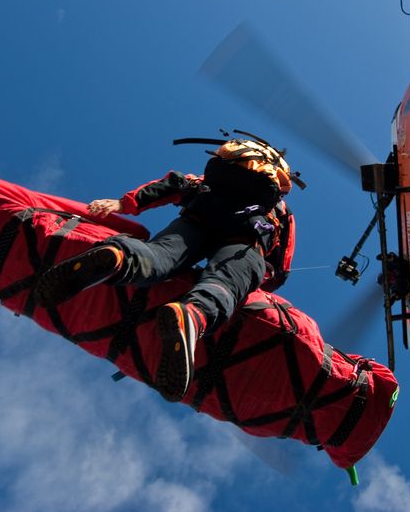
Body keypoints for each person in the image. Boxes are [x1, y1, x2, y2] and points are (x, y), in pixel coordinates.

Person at [35, 135, 300, 402]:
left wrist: (122, 204)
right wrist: (260, 280)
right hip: (249, 235)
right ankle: (193, 315)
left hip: (200, 215)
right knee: (225, 283)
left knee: (158, 256)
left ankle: (118, 257)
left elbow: (175, 183)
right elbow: (281, 266)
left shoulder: (213, 178)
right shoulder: (279, 210)